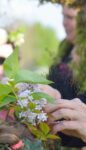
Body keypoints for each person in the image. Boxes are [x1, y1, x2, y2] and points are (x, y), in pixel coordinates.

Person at [46, 6, 86, 147]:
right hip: (57, 132)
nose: (64, 22)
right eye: (63, 16)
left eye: (69, 17)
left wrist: (56, 97)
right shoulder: (65, 48)